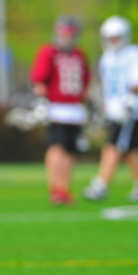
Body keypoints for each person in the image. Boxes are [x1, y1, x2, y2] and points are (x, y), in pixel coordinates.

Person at [82, 15, 138, 203]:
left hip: (128, 109)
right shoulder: (107, 58)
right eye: (110, 38)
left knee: (112, 145)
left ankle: (101, 185)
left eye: (116, 37)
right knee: (130, 149)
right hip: (114, 109)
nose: (113, 42)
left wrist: (128, 101)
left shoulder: (134, 54)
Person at [29, 15, 92, 205]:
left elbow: (86, 82)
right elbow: (39, 81)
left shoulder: (79, 55)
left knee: (71, 151)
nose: (67, 37)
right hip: (57, 108)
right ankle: (55, 188)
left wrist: (88, 104)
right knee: (57, 148)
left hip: (75, 110)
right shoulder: (49, 52)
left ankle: (65, 188)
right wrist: (42, 102)